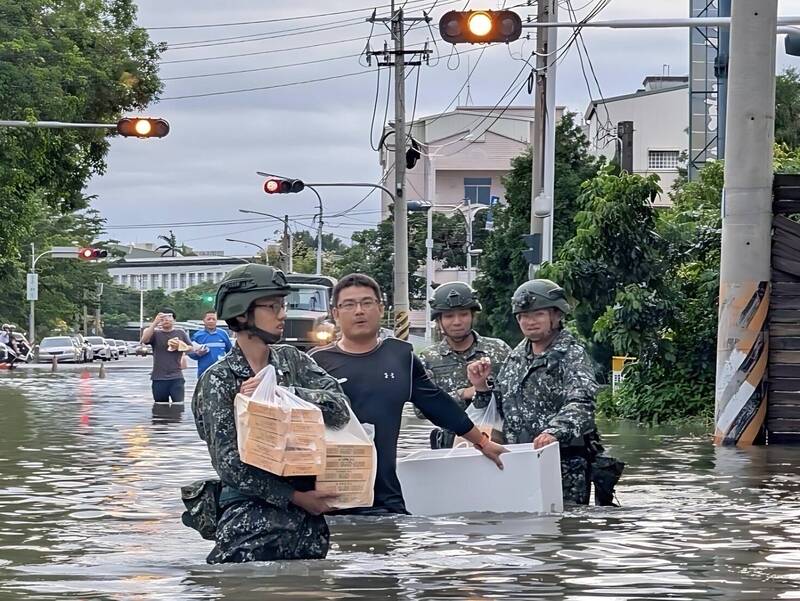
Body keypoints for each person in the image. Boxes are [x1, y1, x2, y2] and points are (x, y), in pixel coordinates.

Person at [184, 264, 351, 563]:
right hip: (249, 529)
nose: (282, 314)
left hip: (308, 529)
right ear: (242, 312)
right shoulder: (219, 381)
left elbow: (340, 410)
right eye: (273, 306)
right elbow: (230, 464)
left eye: (283, 305)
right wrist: (297, 499)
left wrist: (285, 395)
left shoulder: (293, 362)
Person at [309, 273, 507, 516]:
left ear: (381, 309)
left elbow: (439, 406)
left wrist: (483, 442)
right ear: (336, 313)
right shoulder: (316, 363)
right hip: (328, 500)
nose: (359, 311)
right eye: (349, 304)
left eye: (367, 303)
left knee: (392, 545)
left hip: (384, 498)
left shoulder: (400, 358)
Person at [467, 279, 623, 506]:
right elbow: (498, 408)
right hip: (518, 461)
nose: (529, 322)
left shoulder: (572, 354)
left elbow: (582, 403)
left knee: (563, 532)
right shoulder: (516, 357)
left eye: (537, 314)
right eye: (522, 316)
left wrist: (554, 432)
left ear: (556, 315)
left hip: (563, 465)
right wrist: (481, 386)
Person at [417, 282, 512, 449]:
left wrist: (484, 389)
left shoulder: (499, 350)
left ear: (473, 316)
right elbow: (421, 409)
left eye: (463, 314)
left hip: (496, 443)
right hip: (451, 449)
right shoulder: (428, 359)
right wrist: (463, 394)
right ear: (439, 321)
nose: (457, 322)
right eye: (448, 316)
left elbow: (514, 397)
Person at [140, 307, 191, 404]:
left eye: (169, 317)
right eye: (163, 318)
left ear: (174, 320)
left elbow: (191, 348)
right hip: (158, 377)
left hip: (176, 377)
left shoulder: (180, 332)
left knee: (179, 406)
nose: (166, 320)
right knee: (160, 407)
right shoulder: (155, 333)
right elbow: (144, 340)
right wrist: (154, 323)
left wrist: (180, 346)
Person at [188, 310, 232, 378]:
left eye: (213, 319)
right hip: (204, 372)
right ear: (204, 320)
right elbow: (190, 353)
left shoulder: (223, 334)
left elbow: (230, 352)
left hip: (222, 372)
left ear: (217, 320)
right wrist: (198, 354)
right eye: (208, 319)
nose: (211, 321)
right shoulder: (197, 336)